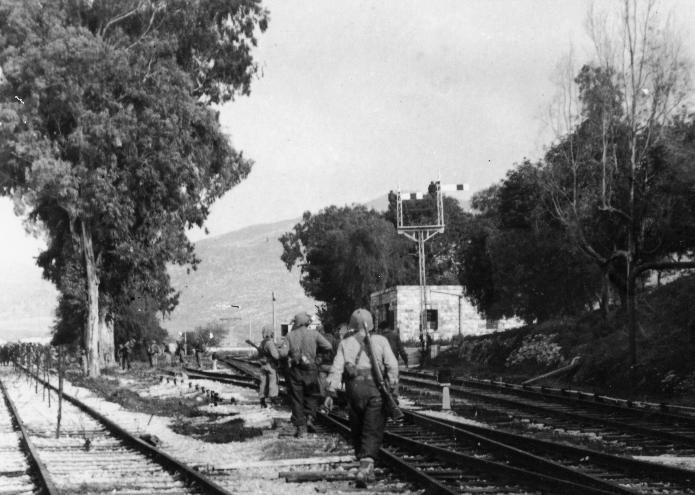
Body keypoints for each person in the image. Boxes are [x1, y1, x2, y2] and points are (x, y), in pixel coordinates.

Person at [323, 309, 399, 488]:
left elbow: (336, 369)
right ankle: (365, 469)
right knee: (372, 429)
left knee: (357, 427)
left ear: (351, 325)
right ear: (371, 323)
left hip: (353, 390)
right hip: (375, 389)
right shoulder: (380, 341)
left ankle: (365, 467)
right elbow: (392, 366)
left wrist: (330, 392)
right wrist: (393, 389)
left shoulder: (345, 343)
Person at [278, 311, 332, 438]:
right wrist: (318, 355)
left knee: (297, 398)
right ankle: (309, 418)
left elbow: (283, 354)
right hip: (312, 369)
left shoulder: (290, 336)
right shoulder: (314, 334)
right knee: (312, 396)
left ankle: (301, 428)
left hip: (296, 370)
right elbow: (328, 346)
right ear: (306, 323)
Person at [257, 325, 280, 408]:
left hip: (262, 365)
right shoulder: (270, 343)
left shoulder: (262, 343)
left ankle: (262, 399)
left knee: (263, 383)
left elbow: (258, 355)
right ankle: (273, 398)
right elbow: (276, 356)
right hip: (270, 365)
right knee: (273, 382)